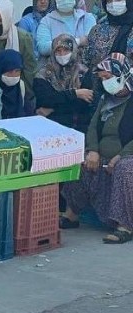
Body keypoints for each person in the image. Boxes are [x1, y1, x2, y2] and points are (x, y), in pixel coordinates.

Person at [60, 53, 133, 244]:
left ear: (122, 74)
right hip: (104, 155)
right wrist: (93, 149)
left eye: (108, 78)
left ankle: (124, 226)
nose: (105, 83)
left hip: (127, 155)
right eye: (102, 79)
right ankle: (71, 214)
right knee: (79, 160)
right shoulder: (105, 100)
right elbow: (93, 127)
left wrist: (120, 155)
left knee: (125, 168)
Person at [33, 33, 94, 131]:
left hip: (79, 127)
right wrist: (75, 94)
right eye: (58, 51)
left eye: (66, 50)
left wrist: (53, 109)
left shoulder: (84, 72)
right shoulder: (43, 74)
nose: (62, 55)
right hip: (49, 127)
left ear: (73, 50)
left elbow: (83, 104)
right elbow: (45, 100)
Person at [83, 0, 133, 71]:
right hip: (99, 79)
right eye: (109, 1)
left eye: (118, 0)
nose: (113, 3)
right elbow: (87, 60)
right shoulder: (97, 30)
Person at [0, 49, 29, 119]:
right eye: (9, 72)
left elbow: (28, 113)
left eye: (17, 71)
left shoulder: (21, 86)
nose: (14, 76)